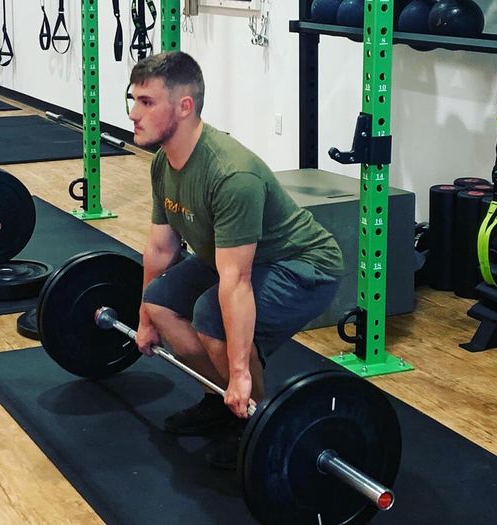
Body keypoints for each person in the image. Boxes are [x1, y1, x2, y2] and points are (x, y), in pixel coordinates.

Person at [128, 51, 344, 469]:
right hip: (235, 258)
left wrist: (241, 371)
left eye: (147, 102)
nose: (134, 113)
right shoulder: (163, 163)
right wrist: (143, 318)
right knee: (160, 303)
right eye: (133, 99)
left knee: (210, 314)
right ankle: (218, 399)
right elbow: (160, 249)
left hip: (303, 265)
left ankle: (260, 425)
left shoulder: (230, 174)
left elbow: (236, 281)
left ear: (185, 106)